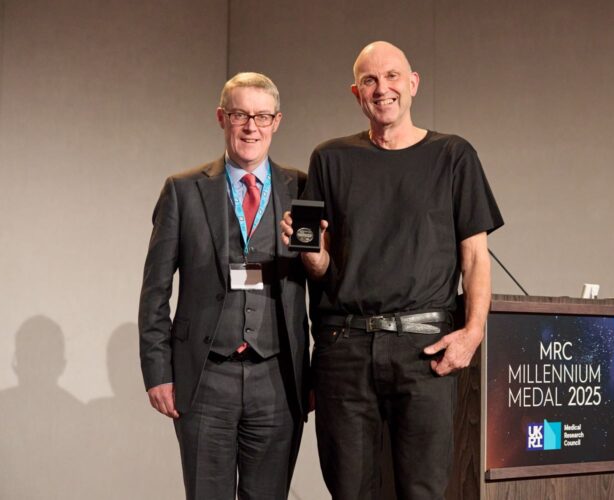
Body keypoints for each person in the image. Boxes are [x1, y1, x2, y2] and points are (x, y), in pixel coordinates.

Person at [281, 41, 504, 499]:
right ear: (356, 93)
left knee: (423, 490)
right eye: (369, 80)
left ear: (413, 83)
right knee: (349, 490)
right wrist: (309, 252)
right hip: (345, 347)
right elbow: (321, 268)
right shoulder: (330, 158)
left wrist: (473, 333)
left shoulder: (453, 155)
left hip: (423, 349)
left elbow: (475, 258)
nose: (382, 88)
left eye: (392, 76)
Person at [139, 72, 308, 500]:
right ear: (221, 118)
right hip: (205, 379)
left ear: (277, 121)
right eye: (239, 115)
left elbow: (325, 289)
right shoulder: (183, 191)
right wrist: (158, 372)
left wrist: (317, 374)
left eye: (262, 116)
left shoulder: (303, 189)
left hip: (277, 379)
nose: (251, 127)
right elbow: (155, 291)